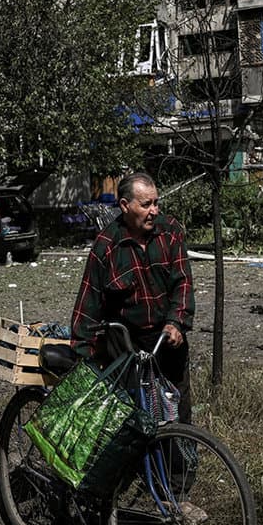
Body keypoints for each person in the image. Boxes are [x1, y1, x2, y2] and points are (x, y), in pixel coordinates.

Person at [70, 172, 195, 423]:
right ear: (125, 206)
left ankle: (180, 461)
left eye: (156, 202)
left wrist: (176, 322)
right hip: (129, 349)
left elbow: (182, 282)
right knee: (135, 422)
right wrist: (84, 362)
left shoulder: (169, 231)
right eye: (146, 204)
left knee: (177, 416)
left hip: (166, 341)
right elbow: (88, 307)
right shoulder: (106, 247)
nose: (154, 210)